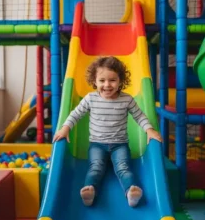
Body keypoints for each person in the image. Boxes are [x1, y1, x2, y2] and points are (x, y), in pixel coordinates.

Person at [53, 56, 162, 207]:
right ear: (95, 81)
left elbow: (139, 116)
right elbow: (75, 114)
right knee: (96, 167)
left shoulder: (127, 99)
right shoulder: (90, 98)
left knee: (123, 167)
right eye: (102, 80)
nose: (107, 85)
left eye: (112, 80)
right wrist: (65, 128)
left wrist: (149, 130)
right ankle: (90, 191)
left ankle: (131, 192)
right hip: (97, 144)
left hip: (120, 145)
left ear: (120, 81)